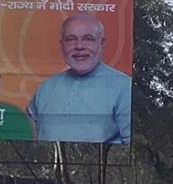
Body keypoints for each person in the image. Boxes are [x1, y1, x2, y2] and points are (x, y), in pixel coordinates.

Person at [26, 14, 132, 143]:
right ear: (62, 45)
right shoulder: (47, 87)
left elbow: (131, 145)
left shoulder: (124, 87)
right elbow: (29, 134)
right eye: (71, 39)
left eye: (88, 39)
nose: (79, 46)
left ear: (102, 43)